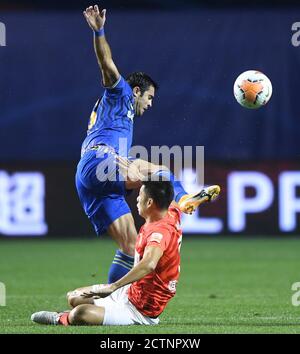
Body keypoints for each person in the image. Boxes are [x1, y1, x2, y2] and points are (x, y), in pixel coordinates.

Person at [76, 5, 220, 285]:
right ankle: (183, 199)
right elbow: (107, 64)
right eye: (150, 98)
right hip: (99, 160)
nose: (150, 105)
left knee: (129, 248)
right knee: (151, 169)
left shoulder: (121, 115)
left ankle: (112, 299)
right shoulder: (121, 94)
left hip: (93, 182)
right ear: (137, 91)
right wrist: (99, 31)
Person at [31, 180, 182, 326]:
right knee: (73, 297)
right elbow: (180, 204)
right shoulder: (170, 212)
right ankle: (84, 312)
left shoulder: (159, 232)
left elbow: (149, 264)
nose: (137, 198)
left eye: (140, 195)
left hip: (141, 308)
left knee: (80, 313)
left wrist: (113, 286)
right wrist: (198, 198)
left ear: (149, 203)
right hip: (130, 292)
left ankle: (62, 318)